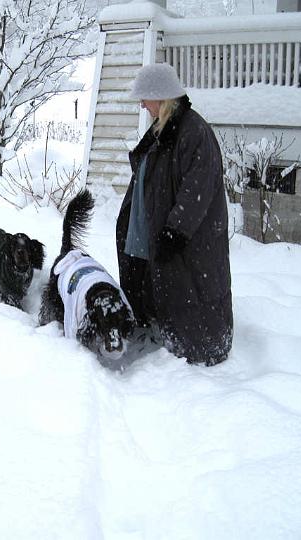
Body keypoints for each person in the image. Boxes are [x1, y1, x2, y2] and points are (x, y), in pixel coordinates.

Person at [116, 63, 233, 366]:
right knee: (166, 286)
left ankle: (201, 347)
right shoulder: (163, 128)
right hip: (164, 231)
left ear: (162, 97)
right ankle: (165, 333)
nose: (141, 104)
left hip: (191, 238)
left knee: (193, 289)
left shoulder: (194, 132)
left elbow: (199, 188)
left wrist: (176, 231)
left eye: (145, 98)